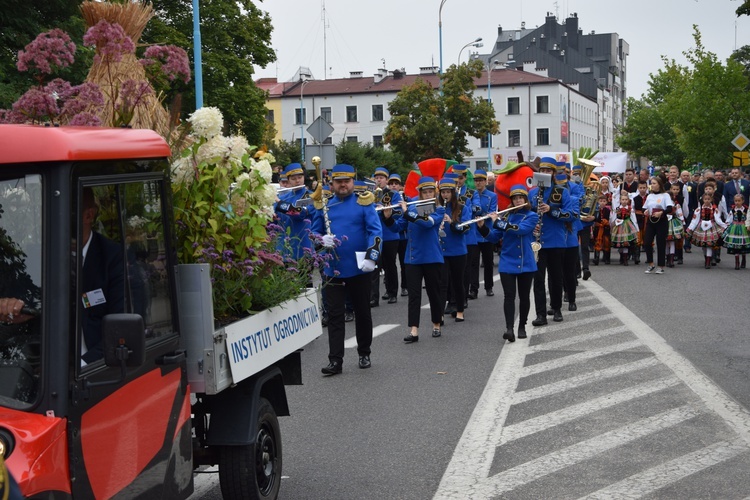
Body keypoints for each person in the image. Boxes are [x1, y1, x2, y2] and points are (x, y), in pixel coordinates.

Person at [311, 164, 382, 375]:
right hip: (334, 268)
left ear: (353, 182)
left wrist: (373, 255)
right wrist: (321, 239)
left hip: (360, 268)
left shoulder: (363, 203)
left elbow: (375, 232)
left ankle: (364, 352)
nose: (343, 185)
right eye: (339, 181)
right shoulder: (325, 206)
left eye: (347, 181)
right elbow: (313, 233)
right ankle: (335, 360)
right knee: (334, 315)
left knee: (362, 312)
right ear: (331, 183)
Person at [382, 176, 445, 342]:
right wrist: (388, 218)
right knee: (414, 296)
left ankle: (436, 323)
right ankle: (414, 330)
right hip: (413, 258)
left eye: (431, 191)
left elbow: (427, 223)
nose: (428, 194)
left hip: (432, 257)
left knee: (434, 293)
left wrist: (407, 212)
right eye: (425, 192)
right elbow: (398, 227)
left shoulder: (439, 208)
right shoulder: (412, 205)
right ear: (420, 192)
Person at [479, 185, 538, 341]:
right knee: (509, 296)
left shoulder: (532, 216)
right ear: (511, 201)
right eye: (515, 198)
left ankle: (522, 326)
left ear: (525, 200)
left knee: (524, 296)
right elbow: (493, 238)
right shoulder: (506, 217)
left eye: (521, 198)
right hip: (507, 261)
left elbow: (519, 230)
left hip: (526, 261)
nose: (518, 200)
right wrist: (482, 227)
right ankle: (509, 328)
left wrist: (497, 221)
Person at [530, 158, 575, 326]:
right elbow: (528, 214)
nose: (545, 173)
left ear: (554, 173)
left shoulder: (561, 191)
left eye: (549, 171)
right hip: (538, 241)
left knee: (556, 277)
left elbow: (570, 215)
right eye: (542, 170)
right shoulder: (533, 193)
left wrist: (551, 210)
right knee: (538, 279)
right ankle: (540, 314)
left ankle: (556, 309)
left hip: (556, 241)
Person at [437, 176, 471, 322]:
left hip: (458, 250)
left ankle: (459, 310)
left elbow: (466, 228)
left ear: (453, 193)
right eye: (443, 192)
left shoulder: (462, 208)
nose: (445, 195)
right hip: (441, 250)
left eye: (448, 192)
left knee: (458, 281)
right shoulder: (437, 208)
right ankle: (439, 314)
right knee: (442, 283)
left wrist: (452, 223)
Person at [372, 166, 402, 305]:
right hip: (375, 235)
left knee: (390, 265)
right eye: (377, 178)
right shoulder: (370, 194)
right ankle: (373, 297)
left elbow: (396, 212)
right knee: (374, 266)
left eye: (381, 178)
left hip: (389, 234)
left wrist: (381, 210)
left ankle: (392, 293)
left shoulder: (392, 194)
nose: (379, 180)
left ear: (386, 180)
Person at [274, 163, 315, 261]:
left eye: (300, 177)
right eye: (293, 179)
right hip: (282, 250)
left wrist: (279, 203)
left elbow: (299, 214)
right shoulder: (282, 197)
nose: (297, 181)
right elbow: (275, 222)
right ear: (288, 180)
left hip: (302, 249)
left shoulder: (310, 197)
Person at [468, 169, 498, 297]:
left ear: (485, 182)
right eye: (476, 181)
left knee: (488, 261)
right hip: (474, 233)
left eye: (481, 180)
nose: (478, 183)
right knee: (473, 263)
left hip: (486, 232)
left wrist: (481, 216)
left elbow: (491, 212)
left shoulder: (492, 196)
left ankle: (489, 287)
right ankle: (473, 289)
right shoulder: (470, 195)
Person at [686, 192, 728, 269]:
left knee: (709, 244)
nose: (707, 201)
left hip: (711, 227)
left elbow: (718, 220)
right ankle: (706, 258)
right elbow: (695, 220)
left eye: (708, 199)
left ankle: (708, 261)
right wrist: (690, 229)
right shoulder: (699, 209)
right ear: (703, 200)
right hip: (701, 227)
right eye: (705, 199)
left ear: (711, 199)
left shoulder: (715, 209)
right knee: (703, 245)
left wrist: (724, 226)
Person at [643, 174, 674, 274]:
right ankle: (651, 264)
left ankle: (661, 266)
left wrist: (661, 212)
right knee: (647, 242)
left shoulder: (665, 195)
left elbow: (669, 208)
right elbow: (645, 207)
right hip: (651, 221)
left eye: (654, 183)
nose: (652, 185)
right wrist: (645, 211)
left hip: (662, 221)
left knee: (661, 243)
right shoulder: (650, 196)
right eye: (651, 184)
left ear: (659, 185)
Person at [610, 191, 639, 266]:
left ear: (628, 200)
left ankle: (625, 259)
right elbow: (613, 217)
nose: (624, 201)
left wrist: (636, 228)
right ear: (620, 200)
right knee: (620, 243)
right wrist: (612, 225)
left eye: (626, 199)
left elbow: (633, 218)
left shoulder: (630, 209)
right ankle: (622, 257)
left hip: (627, 226)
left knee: (626, 242)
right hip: (619, 226)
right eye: (623, 199)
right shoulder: (617, 209)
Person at [723, 193, 750, 269]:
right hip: (734, 228)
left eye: (739, 201)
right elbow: (729, 219)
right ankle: (737, 262)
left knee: (743, 244)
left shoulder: (745, 209)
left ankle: (743, 259)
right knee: (735, 244)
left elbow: (748, 218)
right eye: (736, 201)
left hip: (743, 228)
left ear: (743, 201)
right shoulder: (732, 210)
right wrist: (726, 226)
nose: (737, 202)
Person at [666, 183, 685, 267]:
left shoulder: (676, 205)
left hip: (673, 223)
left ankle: (671, 260)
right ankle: (668, 258)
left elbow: (680, 214)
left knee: (672, 242)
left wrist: (682, 224)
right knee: (666, 242)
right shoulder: (663, 205)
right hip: (665, 223)